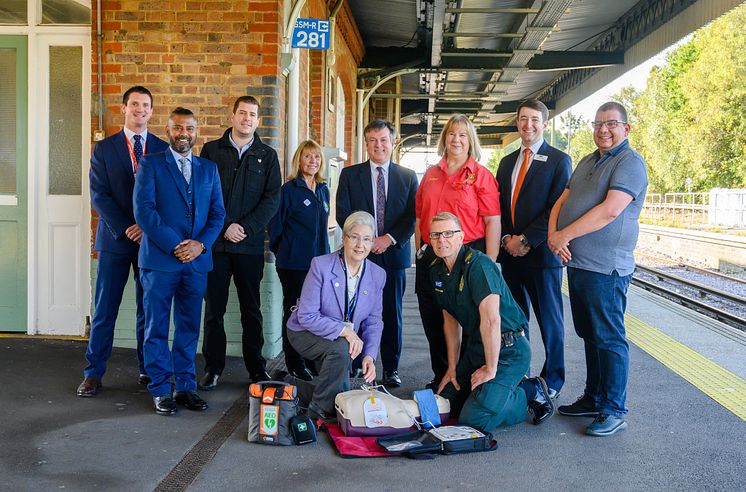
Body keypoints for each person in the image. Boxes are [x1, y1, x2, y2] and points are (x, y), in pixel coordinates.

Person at [548, 102, 648, 437]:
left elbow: (610, 211)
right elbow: (562, 201)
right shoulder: (588, 160)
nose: (603, 130)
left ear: (626, 128)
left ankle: (614, 408)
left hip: (607, 269)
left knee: (609, 338)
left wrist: (565, 234)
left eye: (611, 124)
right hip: (578, 264)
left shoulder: (630, 163)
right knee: (590, 335)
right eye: (598, 124)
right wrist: (553, 236)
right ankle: (594, 397)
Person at [77, 86, 169, 397]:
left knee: (148, 308)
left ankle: (147, 368)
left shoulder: (161, 148)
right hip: (115, 240)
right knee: (105, 308)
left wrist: (147, 228)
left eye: (145, 105)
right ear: (124, 108)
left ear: (152, 111)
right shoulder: (104, 149)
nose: (140, 109)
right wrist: (127, 226)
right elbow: (99, 196)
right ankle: (93, 373)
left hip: (150, 243)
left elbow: (166, 198)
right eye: (134, 104)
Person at [133, 107, 226, 416]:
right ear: (168, 130)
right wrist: (177, 245)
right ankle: (160, 388)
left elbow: (218, 214)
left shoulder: (208, 169)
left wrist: (200, 245)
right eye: (177, 128)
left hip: (197, 262)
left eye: (189, 128)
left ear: (196, 131)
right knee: (156, 327)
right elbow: (145, 211)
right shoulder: (150, 164)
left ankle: (186, 386)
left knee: (188, 327)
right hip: (161, 261)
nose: (184, 133)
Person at [430, 213, 554, 432]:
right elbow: (450, 320)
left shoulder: (479, 265)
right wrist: (452, 367)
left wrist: (491, 369)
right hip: (477, 348)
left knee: (473, 419)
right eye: (436, 235)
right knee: (444, 404)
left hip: (508, 350)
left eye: (449, 233)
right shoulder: (437, 271)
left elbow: (491, 320)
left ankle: (529, 391)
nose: (442, 240)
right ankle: (492, 394)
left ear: (461, 237)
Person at [199, 96, 282, 390]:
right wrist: (224, 228)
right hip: (217, 246)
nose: (248, 119)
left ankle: (256, 369)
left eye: (253, 115)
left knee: (251, 309)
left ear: (258, 120)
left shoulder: (267, 156)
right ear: (232, 116)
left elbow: (272, 200)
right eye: (243, 113)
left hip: (249, 246)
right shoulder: (211, 151)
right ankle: (213, 368)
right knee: (214, 311)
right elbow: (202, 194)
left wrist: (244, 227)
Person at [415, 114, 501, 388]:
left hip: (467, 253)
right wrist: (421, 250)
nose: (456, 139)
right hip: (432, 252)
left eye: (463, 135)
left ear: (470, 140)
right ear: (445, 138)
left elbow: (492, 220)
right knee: (433, 315)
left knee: (468, 319)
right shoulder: (430, 174)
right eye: (452, 133)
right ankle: (442, 375)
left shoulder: (481, 176)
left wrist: (489, 263)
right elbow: (420, 218)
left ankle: (465, 377)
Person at [496, 99, 572, 400]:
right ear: (517, 122)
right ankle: (520, 373)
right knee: (515, 321)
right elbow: (498, 208)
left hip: (541, 256)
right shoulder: (506, 162)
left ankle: (553, 379)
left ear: (544, 123)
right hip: (511, 257)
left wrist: (525, 240)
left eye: (534, 120)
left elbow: (558, 208)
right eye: (523, 119)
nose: (528, 125)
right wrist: (506, 240)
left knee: (550, 321)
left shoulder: (559, 160)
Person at [335, 119, 418, 387]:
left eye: (383, 140)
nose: (378, 145)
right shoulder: (350, 175)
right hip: (360, 255)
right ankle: (357, 363)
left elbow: (412, 216)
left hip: (393, 255)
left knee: (391, 313)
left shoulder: (407, 176)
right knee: (356, 310)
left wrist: (389, 239)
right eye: (372, 140)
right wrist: (366, 241)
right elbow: (343, 212)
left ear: (392, 143)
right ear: (366, 144)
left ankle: (391, 368)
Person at [286, 211, 386, 423]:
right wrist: (346, 332)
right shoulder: (321, 265)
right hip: (304, 331)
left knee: (340, 388)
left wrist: (369, 355)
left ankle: (294, 387)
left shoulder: (378, 275)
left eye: (367, 239)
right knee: (342, 350)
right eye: (354, 237)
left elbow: (373, 321)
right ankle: (316, 412)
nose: (360, 245)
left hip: (339, 338)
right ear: (344, 238)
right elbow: (306, 315)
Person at [269, 140, 331, 382]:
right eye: (308, 157)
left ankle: (311, 359)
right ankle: (294, 363)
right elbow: (275, 228)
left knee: (315, 313)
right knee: (294, 314)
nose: (313, 161)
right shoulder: (289, 190)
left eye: (316, 157)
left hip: (319, 265)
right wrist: (285, 250)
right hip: (293, 265)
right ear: (299, 161)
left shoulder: (323, 190)